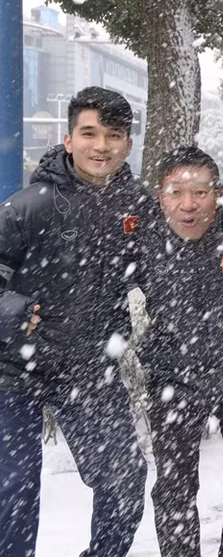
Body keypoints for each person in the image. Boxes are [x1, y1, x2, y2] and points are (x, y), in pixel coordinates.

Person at [0, 86, 149, 557]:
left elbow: (169, 271)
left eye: (114, 135)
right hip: (12, 369)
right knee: (14, 486)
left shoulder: (139, 209)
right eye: (89, 133)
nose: (100, 146)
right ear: (68, 139)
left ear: (128, 144)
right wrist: (10, 312)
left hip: (89, 366)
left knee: (126, 478)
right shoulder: (30, 204)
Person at [133, 147, 223, 557]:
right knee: (174, 486)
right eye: (176, 192)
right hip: (173, 377)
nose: (188, 204)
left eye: (200, 192)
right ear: (160, 195)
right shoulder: (141, 236)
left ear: (217, 192)